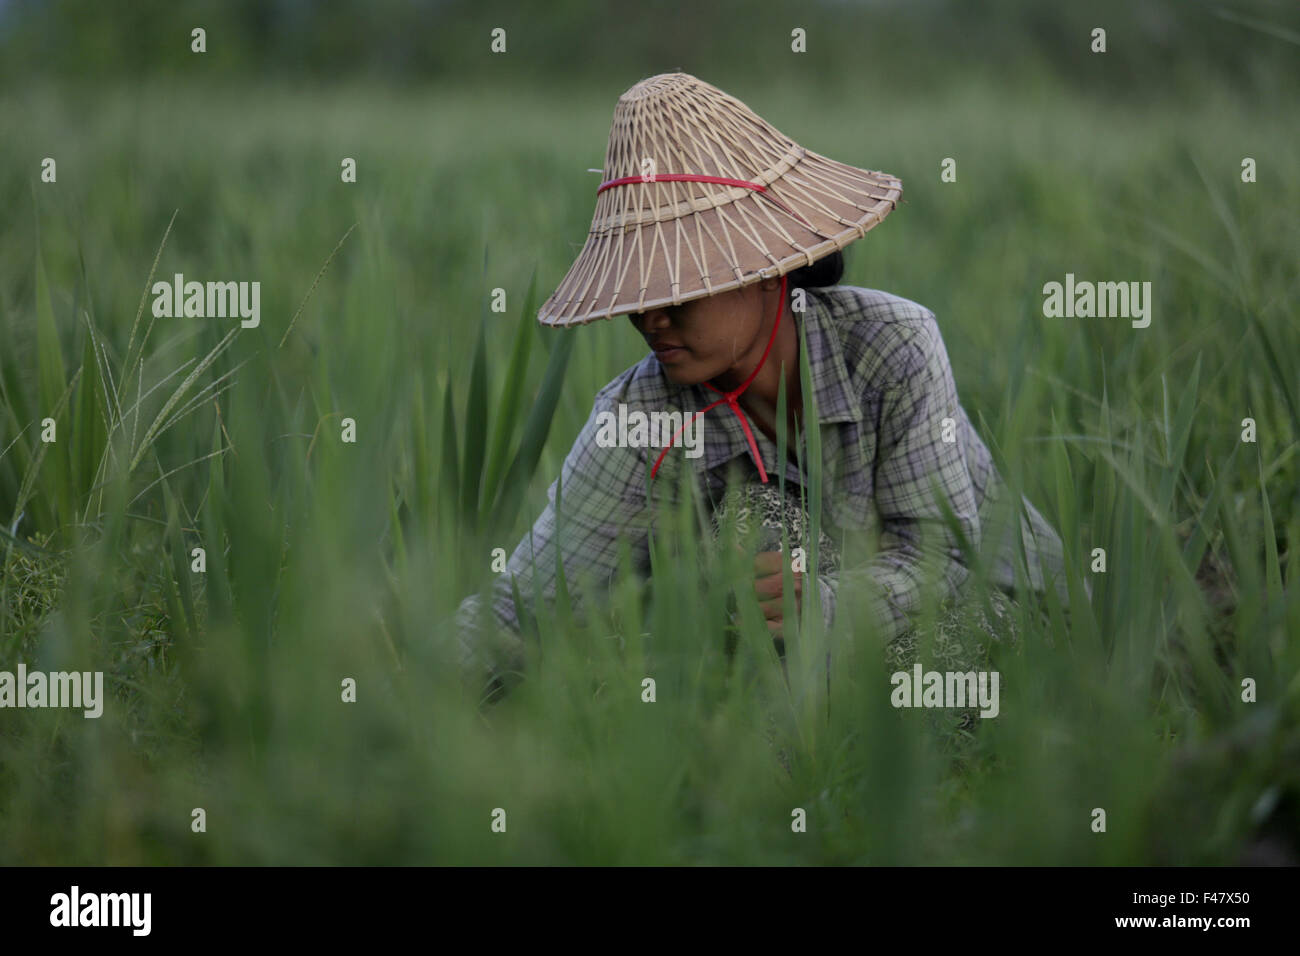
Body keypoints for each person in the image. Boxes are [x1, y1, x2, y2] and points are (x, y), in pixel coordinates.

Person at [457, 72, 1068, 696]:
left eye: (679, 289)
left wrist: (825, 605)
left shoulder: (893, 346)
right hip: (821, 669)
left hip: (1003, 623)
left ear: (764, 271)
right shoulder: (643, 413)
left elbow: (942, 561)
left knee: (757, 525)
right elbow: (526, 602)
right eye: (641, 294)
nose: (651, 318)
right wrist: (416, 686)